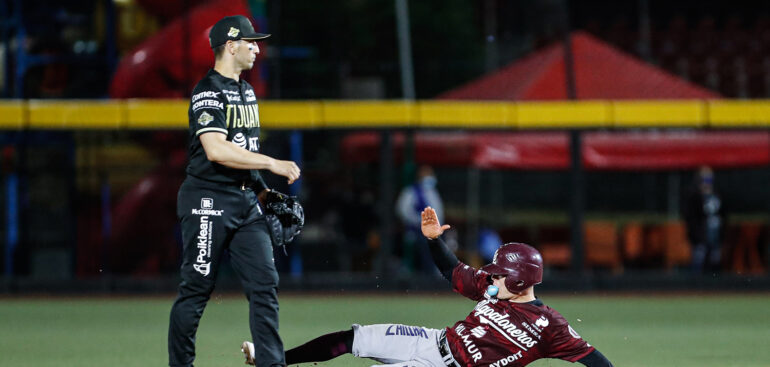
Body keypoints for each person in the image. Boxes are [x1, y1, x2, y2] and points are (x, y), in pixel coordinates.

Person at [241, 207, 614, 367]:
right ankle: (273, 360)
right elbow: (453, 273)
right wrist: (435, 241)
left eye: (500, 273)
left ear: (518, 280)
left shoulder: (548, 326)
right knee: (354, 338)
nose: (492, 275)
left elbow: (595, 361)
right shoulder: (491, 287)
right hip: (433, 341)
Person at [168, 15, 300, 367]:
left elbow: (244, 150)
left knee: (265, 286)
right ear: (230, 45)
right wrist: (272, 163)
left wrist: (263, 192)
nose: (257, 48)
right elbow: (216, 149)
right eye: (250, 42)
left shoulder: (247, 91)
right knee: (196, 290)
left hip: (244, 201)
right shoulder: (207, 90)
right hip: (207, 199)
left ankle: (272, 364)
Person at [396, 165, 445, 274]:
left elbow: (439, 213)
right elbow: (403, 211)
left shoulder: (433, 192)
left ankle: (439, 273)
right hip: (416, 231)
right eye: (426, 175)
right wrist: (420, 220)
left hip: (435, 231)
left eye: (430, 175)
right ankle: (428, 274)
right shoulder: (411, 192)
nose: (430, 178)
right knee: (425, 246)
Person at [683, 166, 726, 273]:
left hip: (715, 235)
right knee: (698, 261)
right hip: (700, 236)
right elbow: (691, 218)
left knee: (714, 262)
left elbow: (724, 215)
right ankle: (694, 288)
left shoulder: (717, 194)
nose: (707, 181)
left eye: (709, 178)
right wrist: (696, 235)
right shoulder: (694, 196)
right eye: (705, 178)